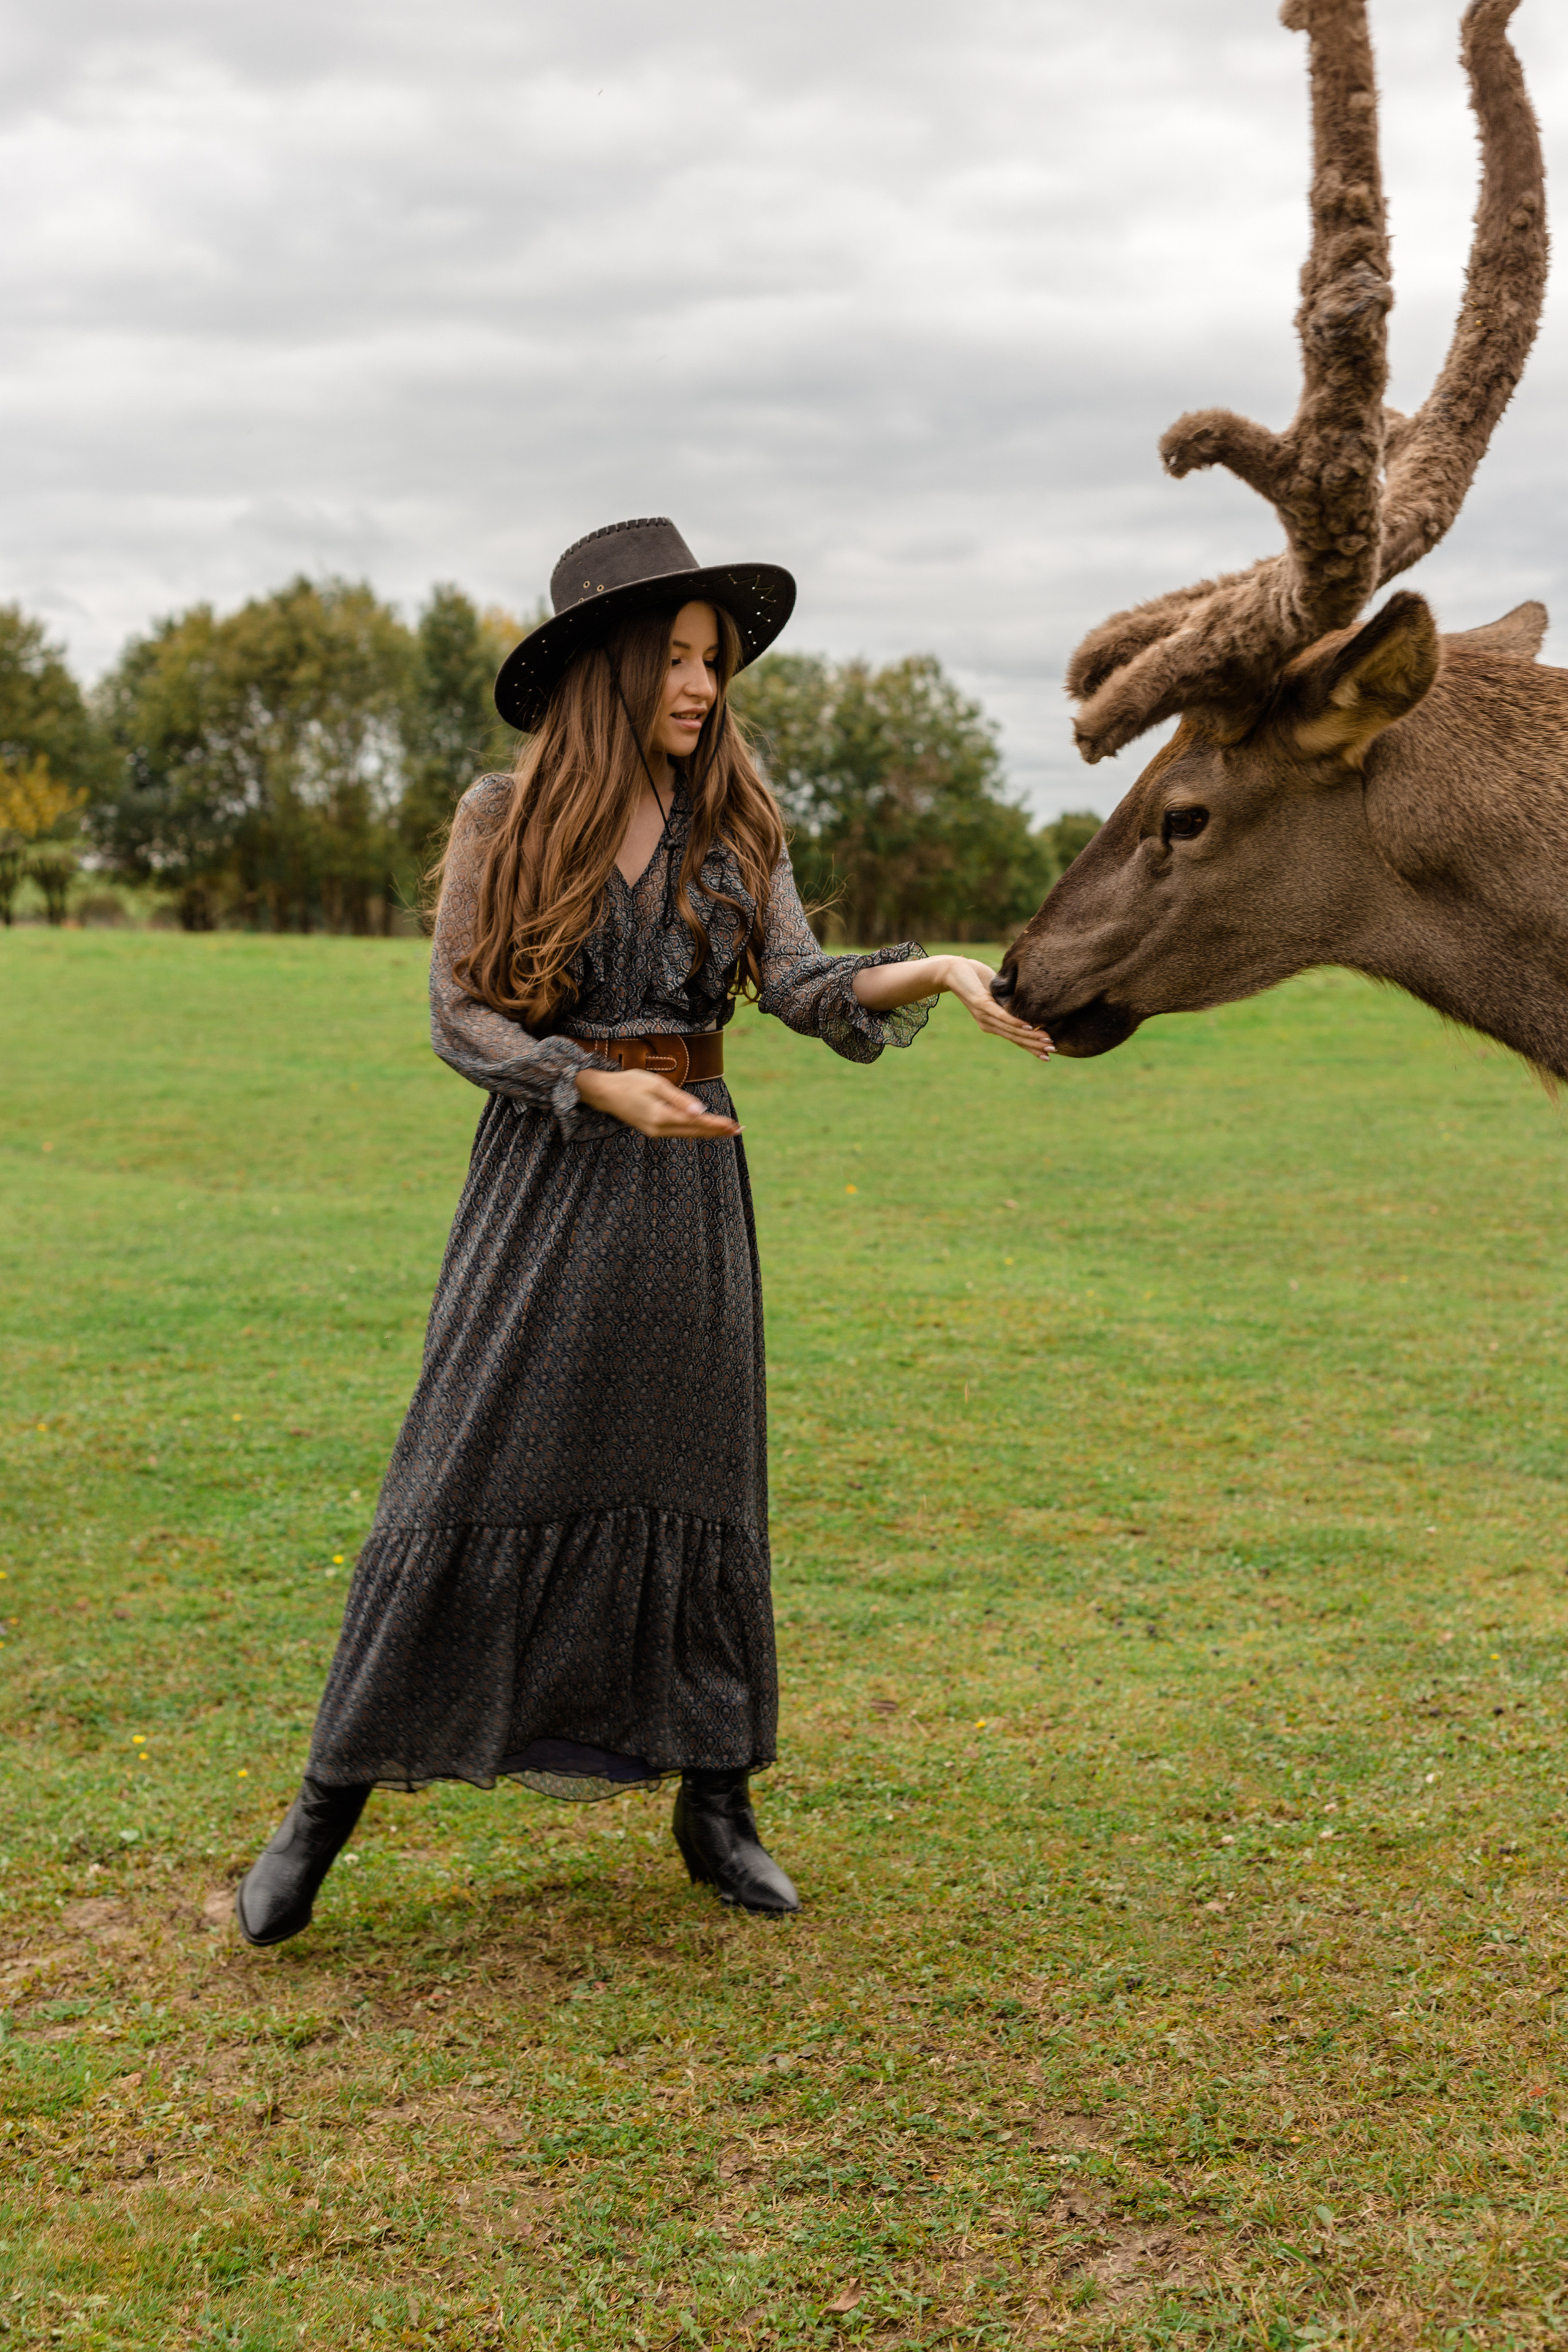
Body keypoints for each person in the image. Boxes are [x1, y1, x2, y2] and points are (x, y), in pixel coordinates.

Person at [235, 516, 1050, 1947]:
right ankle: (325, 1801)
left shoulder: (740, 821)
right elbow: (461, 1016)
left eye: (712, 661)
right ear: (607, 668)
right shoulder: (504, 813)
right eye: (672, 659)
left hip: (689, 1189)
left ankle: (717, 1802)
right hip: (547, 1185)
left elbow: (797, 986)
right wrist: (588, 1082)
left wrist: (932, 968)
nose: (699, 685)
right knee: (462, 1466)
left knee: (696, 1482)